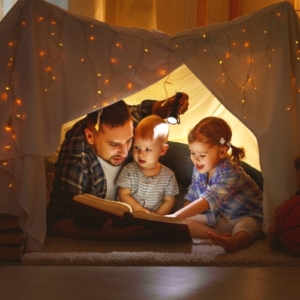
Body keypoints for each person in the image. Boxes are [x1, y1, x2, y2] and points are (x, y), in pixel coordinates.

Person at [47, 93, 189, 241]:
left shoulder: (127, 121)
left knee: (196, 162)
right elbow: (56, 222)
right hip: (129, 205)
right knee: (182, 210)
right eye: (114, 144)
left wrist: (168, 105)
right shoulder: (76, 158)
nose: (125, 151)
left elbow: (143, 110)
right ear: (90, 137)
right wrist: (100, 236)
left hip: (152, 172)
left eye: (129, 140)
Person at [166, 117, 264, 252]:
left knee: (244, 227)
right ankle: (222, 237)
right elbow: (193, 195)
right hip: (221, 218)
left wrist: (175, 216)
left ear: (222, 152)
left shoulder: (230, 173)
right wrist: (179, 218)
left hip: (248, 215)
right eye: (192, 152)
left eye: (202, 155)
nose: (195, 158)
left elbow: (207, 200)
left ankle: (236, 241)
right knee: (183, 223)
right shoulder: (199, 170)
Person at [116, 115, 179, 215]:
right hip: (129, 215)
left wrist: (157, 216)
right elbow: (123, 194)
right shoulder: (129, 170)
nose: (140, 154)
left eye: (148, 149)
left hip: (154, 219)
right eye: (136, 147)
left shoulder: (169, 176)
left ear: (162, 150)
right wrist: (139, 209)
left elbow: (169, 201)